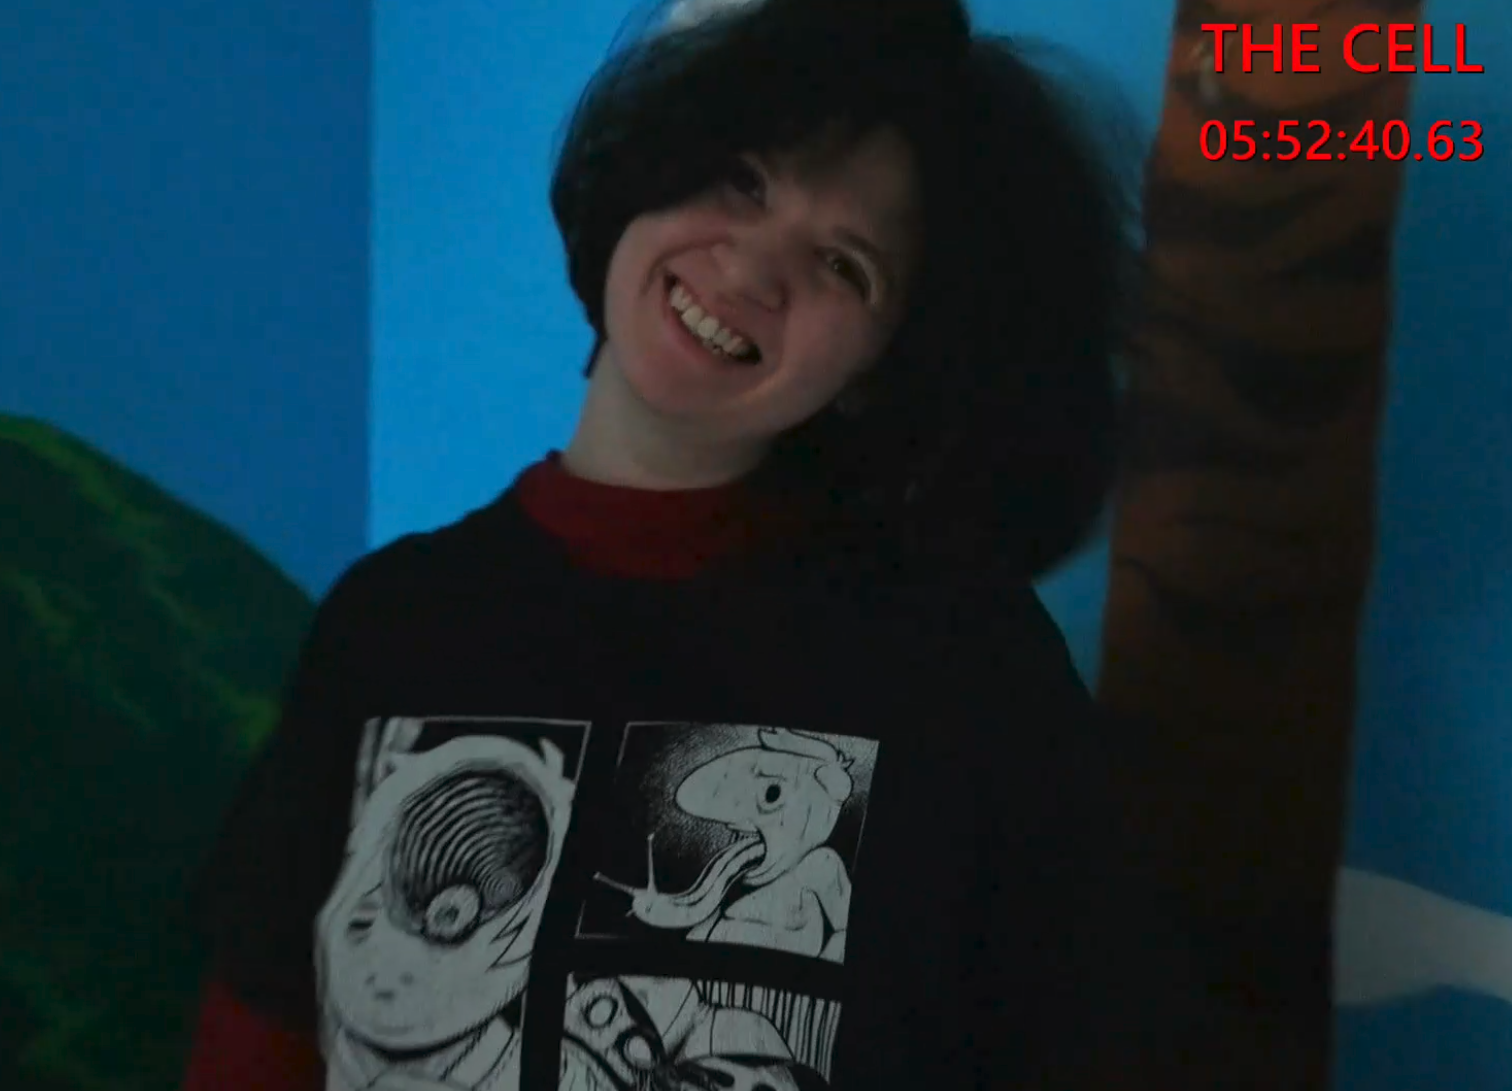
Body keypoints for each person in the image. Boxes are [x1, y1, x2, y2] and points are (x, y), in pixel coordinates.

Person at [181, 0, 1196, 1088]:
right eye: (742, 181)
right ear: (646, 174)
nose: (754, 269)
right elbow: (257, 1036)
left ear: (886, 363)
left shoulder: (967, 666)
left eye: (844, 263)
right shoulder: (389, 621)